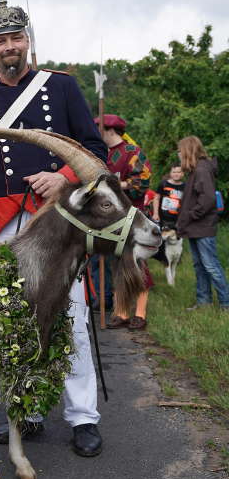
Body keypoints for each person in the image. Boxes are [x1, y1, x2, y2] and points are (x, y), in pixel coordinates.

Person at [0, 0, 108, 457]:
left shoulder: (61, 87)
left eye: (15, 37)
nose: (8, 47)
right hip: (0, 224)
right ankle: (28, 408)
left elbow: (95, 152)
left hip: (56, 223)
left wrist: (61, 178)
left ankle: (82, 417)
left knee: (70, 316)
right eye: (0, 41)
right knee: (13, 322)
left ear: (27, 41)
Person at [93, 115, 153, 330]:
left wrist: (116, 184)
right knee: (117, 264)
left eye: (97, 128)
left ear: (109, 129)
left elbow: (143, 183)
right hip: (111, 218)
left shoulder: (132, 152)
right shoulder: (101, 154)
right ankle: (121, 312)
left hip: (134, 216)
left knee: (137, 263)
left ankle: (140, 313)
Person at [176, 136, 229, 309]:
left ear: (188, 151)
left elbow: (208, 200)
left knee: (211, 265)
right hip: (195, 227)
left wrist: (191, 215)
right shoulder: (195, 170)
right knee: (199, 266)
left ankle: (226, 303)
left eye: (180, 150)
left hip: (203, 226)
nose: (178, 154)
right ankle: (204, 302)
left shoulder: (202, 170)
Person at [152, 164, 185, 231]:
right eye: (174, 172)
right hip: (162, 218)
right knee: (161, 238)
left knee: (175, 239)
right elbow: (156, 198)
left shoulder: (185, 186)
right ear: (170, 173)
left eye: (178, 172)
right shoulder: (163, 184)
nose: (176, 174)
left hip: (177, 219)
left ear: (183, 174)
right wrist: (155, 213)